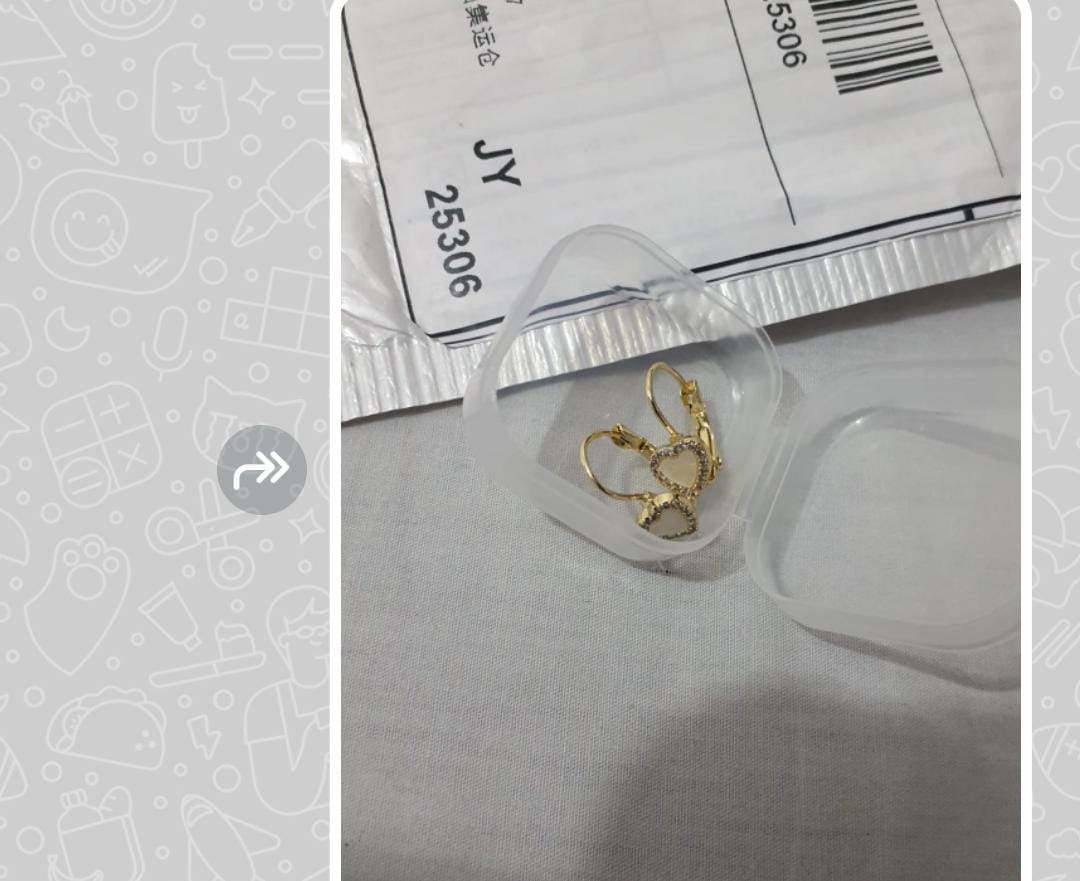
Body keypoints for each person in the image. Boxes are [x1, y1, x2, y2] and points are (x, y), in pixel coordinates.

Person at [243, 586, 329, 815]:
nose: (321, 640)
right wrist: (315, 744)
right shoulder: (266, 706)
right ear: (283, 642)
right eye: (307, 632)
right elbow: (281, 797)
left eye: (326, 629)